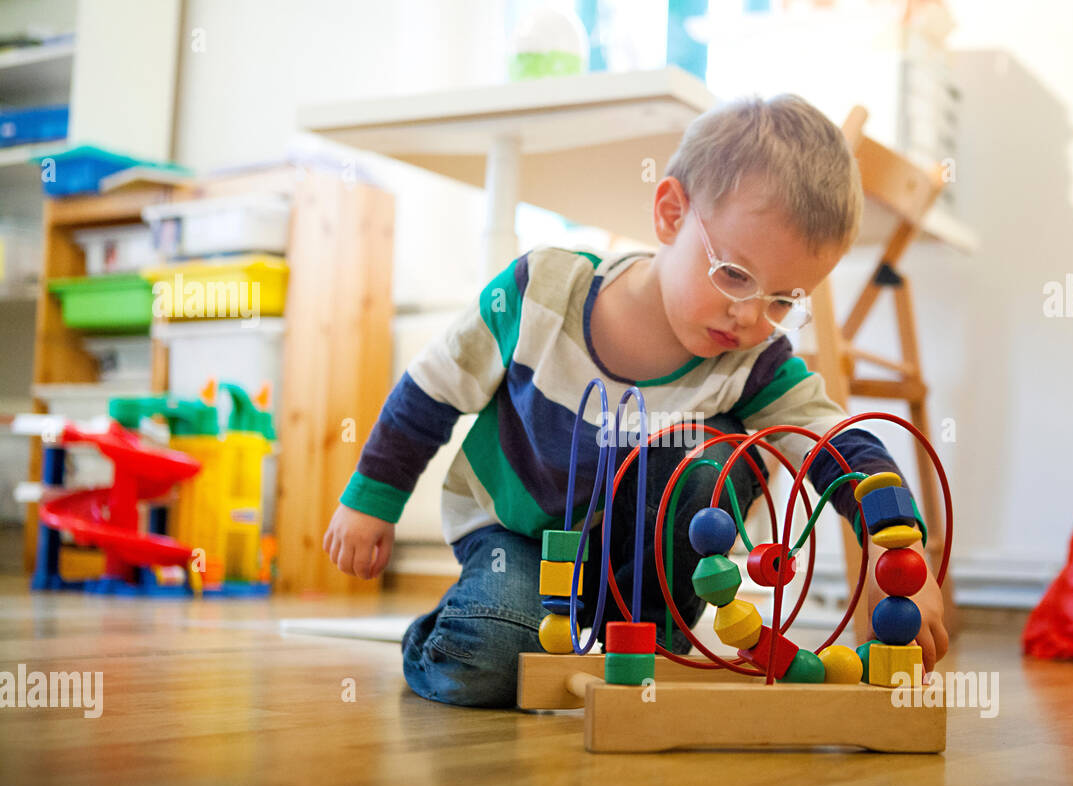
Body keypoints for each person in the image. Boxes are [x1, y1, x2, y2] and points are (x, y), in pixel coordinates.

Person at [323, 93, 948, 708]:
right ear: (671, 214)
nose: (749, 316)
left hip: (644, 571)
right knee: (485, 662)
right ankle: (448, 633)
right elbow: (430, 390)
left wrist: (896, 547)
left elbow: (837, 439)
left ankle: (653, 638)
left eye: (783, 300)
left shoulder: (754, 360)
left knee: (709, 454)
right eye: (735, 275)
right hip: (518, 538)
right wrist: (371, 500)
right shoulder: (540, 292)